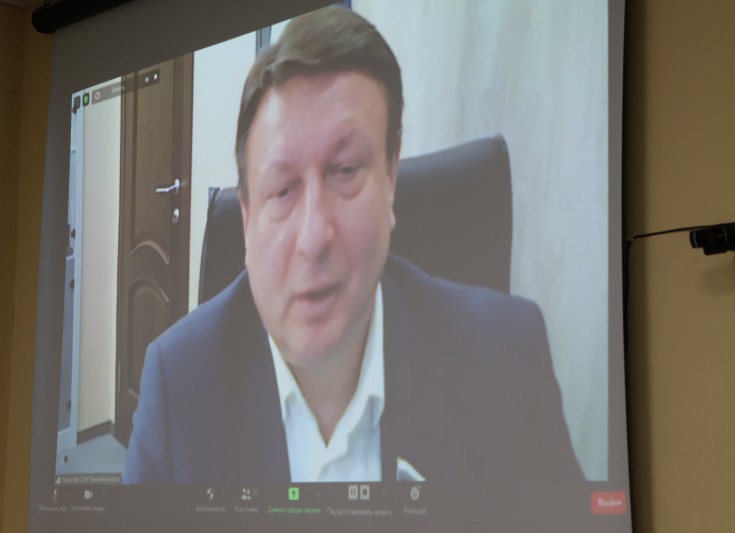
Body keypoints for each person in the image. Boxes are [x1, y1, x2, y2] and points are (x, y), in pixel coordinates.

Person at [123, 5, 583, 494]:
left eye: (345, 171)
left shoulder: (506, 356)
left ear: (390, 178)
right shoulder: (178, 386)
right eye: (282, 189)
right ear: (247, 217)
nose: (313, 238)